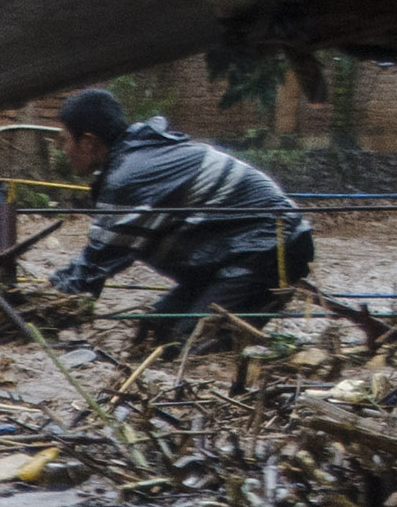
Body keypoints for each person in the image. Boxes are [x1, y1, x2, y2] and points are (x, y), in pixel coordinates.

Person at [45, 88, 314, 350]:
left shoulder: (129, 176)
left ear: (89, 141)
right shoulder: (139, 154)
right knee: (155, 336)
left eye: (65, 140)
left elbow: (98, 262)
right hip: (239, 249)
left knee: (194, 348)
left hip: (271, 248)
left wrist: (41, 304)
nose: (63, 150)